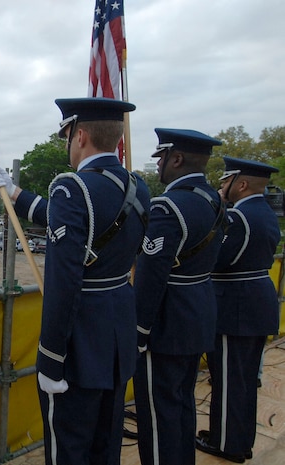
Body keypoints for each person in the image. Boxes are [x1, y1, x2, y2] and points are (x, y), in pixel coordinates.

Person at [0, 97, 149, 465]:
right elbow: (73, 221)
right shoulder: (138, 187)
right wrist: (15, 194)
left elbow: (62, 286)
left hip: (79, 346)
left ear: (80, 136)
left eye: (67, 135)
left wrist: (51, 360)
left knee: (70, 449)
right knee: (105, 445)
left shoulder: (71, 189)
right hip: (117, 337)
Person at [133, 128, 225, 465]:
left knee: (159, 415)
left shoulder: (168, 207)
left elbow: (150, 276)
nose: (158, 166)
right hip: (199, 312)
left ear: (177, 158)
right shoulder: (215, 200)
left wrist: (139, 332)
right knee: (183, 403)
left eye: (161, 158)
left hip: (167, 324)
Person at [194, 157, 281, 463]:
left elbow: (218, 258)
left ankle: (227, 445)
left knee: (230, 381)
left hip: (237, 307)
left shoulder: (240, 218)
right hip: (254, 303)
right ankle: (237, 439)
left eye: (225, 181)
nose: (220, 186)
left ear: (240, 184)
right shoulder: (264, 213)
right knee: (242, 381)